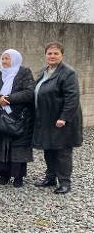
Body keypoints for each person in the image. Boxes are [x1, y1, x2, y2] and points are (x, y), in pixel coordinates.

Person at [33, 42, 83, 194]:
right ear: (45, 55)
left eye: (56, 53)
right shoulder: (44, 71)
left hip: (61, 120)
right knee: (49, 149)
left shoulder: (68, 73)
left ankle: (65, 182)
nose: (52, 56)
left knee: (62, 151)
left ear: (62, 55)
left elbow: (72, 97)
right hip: (46, 118)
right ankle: (50, 178)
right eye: (49, 53)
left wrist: (64, 117)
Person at [0, 49, 34, 188]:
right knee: (1, 145)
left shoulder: (24, 73)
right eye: (3, 59)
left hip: (19, 117)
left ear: (15, 59)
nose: (5, 61)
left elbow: (29, 92)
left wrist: (9, 99)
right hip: (0, 116)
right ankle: (3, 174)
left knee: (18, 147)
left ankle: (18, 177)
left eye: (7, 59)